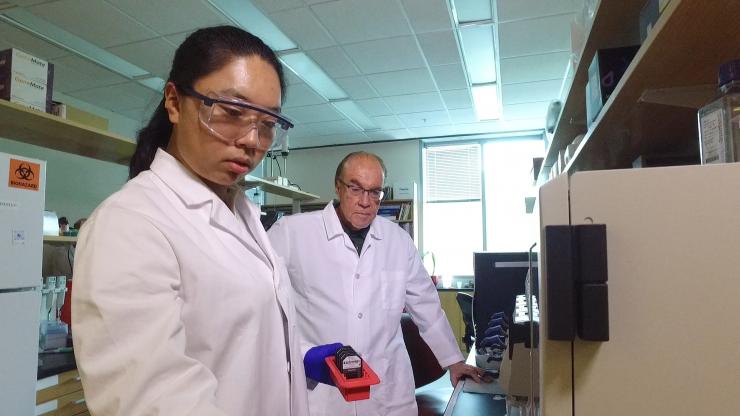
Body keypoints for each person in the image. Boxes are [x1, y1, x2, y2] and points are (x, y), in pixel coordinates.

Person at [72, 26, 308, 416]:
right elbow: (154, 402)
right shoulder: (129, 223)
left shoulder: (242, 211)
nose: (252, 140)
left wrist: (300, 356)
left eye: (267, 124)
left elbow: (237, 342)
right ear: (174, 102)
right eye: (232, 112)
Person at [268, 151, 485, 416]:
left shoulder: (398, 239)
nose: (365, 201)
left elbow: (426, 306)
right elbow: (261, 301)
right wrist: (300, 353)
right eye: (356, 188)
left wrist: (453, 361)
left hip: (388, 390)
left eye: (375, 192)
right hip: (323, 394)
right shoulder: (291, 233)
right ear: (337, 186)